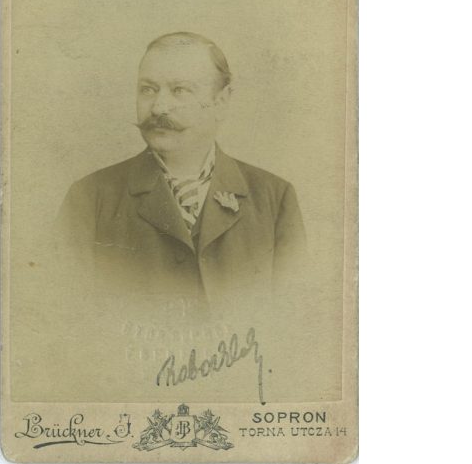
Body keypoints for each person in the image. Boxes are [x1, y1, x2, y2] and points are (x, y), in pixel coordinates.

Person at [56, 32, 306, 314]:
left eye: (180, 90)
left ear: (221, 101)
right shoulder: (89, 200)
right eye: (148, 89)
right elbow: (67, 324)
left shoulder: (274, 199)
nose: (159, 107)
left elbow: (291, 326)